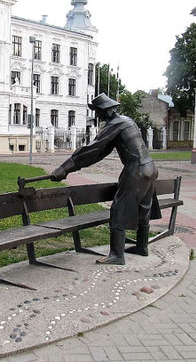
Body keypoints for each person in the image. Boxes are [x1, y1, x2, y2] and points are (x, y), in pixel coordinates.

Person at [51, 93, 161, 265]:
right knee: (143, 207)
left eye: (99, 112)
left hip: (136, 169)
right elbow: (102, 151)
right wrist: (69, 169)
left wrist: (64, 168)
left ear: (106, 111)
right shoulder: (127, 121)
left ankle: (117, 255)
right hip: (151, 167)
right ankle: (142, 246)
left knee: (119, 208)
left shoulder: (115, 124)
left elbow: (93, 149)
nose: (98, 116)